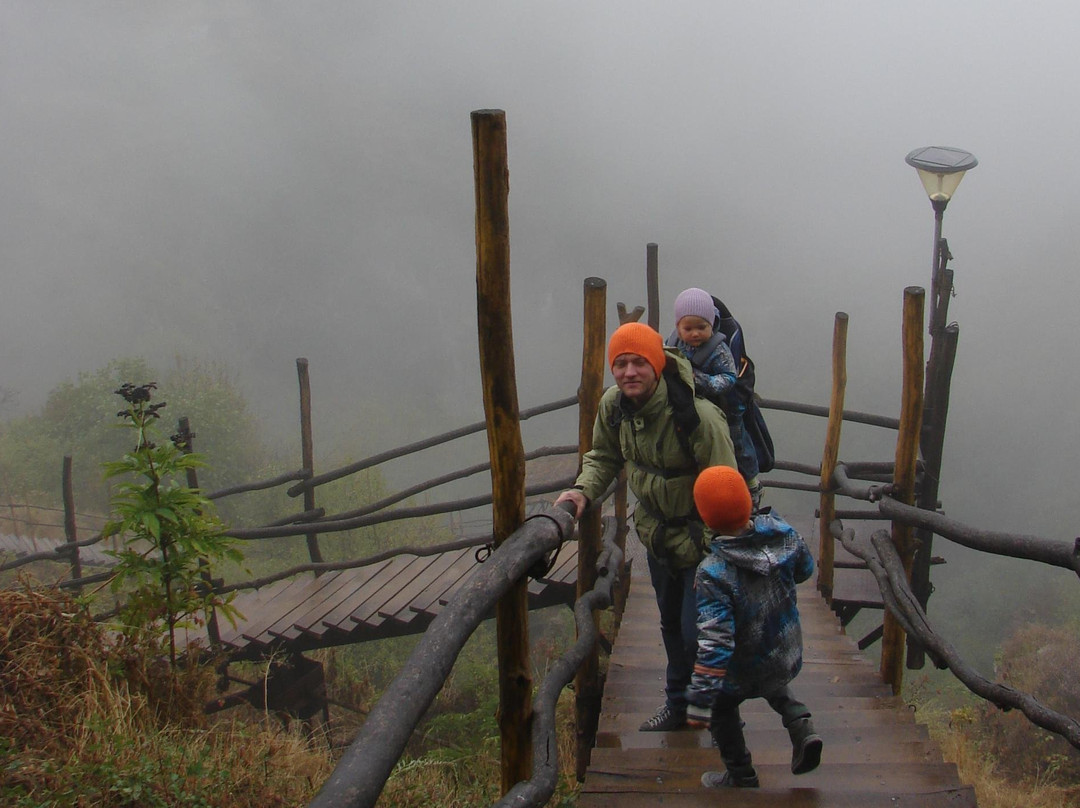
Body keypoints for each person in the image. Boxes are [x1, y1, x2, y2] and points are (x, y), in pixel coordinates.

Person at [555, 321, 737, 732]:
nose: (629, 372)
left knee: (698, 636)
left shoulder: (699, 418)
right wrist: (582, 492)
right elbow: (603, 456)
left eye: (639, 362)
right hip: (657, 537)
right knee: (671, 626)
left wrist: (717, 552)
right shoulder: (613, 406)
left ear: (657, 365)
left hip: (703, 540)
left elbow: (727, 485)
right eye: (620, 364)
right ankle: (679, 706)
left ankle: (724, 722)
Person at [685, 465, 822, 789]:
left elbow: (716, 642)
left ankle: (740, 774)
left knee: (722, 708)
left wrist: (702, 694)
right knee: (773, 680)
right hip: (783, 649)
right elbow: (805, 569)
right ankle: (802, 725)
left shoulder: (713, 571)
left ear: (706, 519)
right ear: (748, 501)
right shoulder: (784, 534)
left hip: (740, 666)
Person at [667, 287, 763, 510]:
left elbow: (729, 378)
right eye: (688, 328)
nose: (695, 334)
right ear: (678, 327)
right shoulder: (674, 342)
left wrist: (703, 381)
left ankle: (751, 484)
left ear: (712, 324)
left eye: (702, 327)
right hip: (690, 403)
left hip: (724, 404)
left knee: (736, 445)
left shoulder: (718, 349)